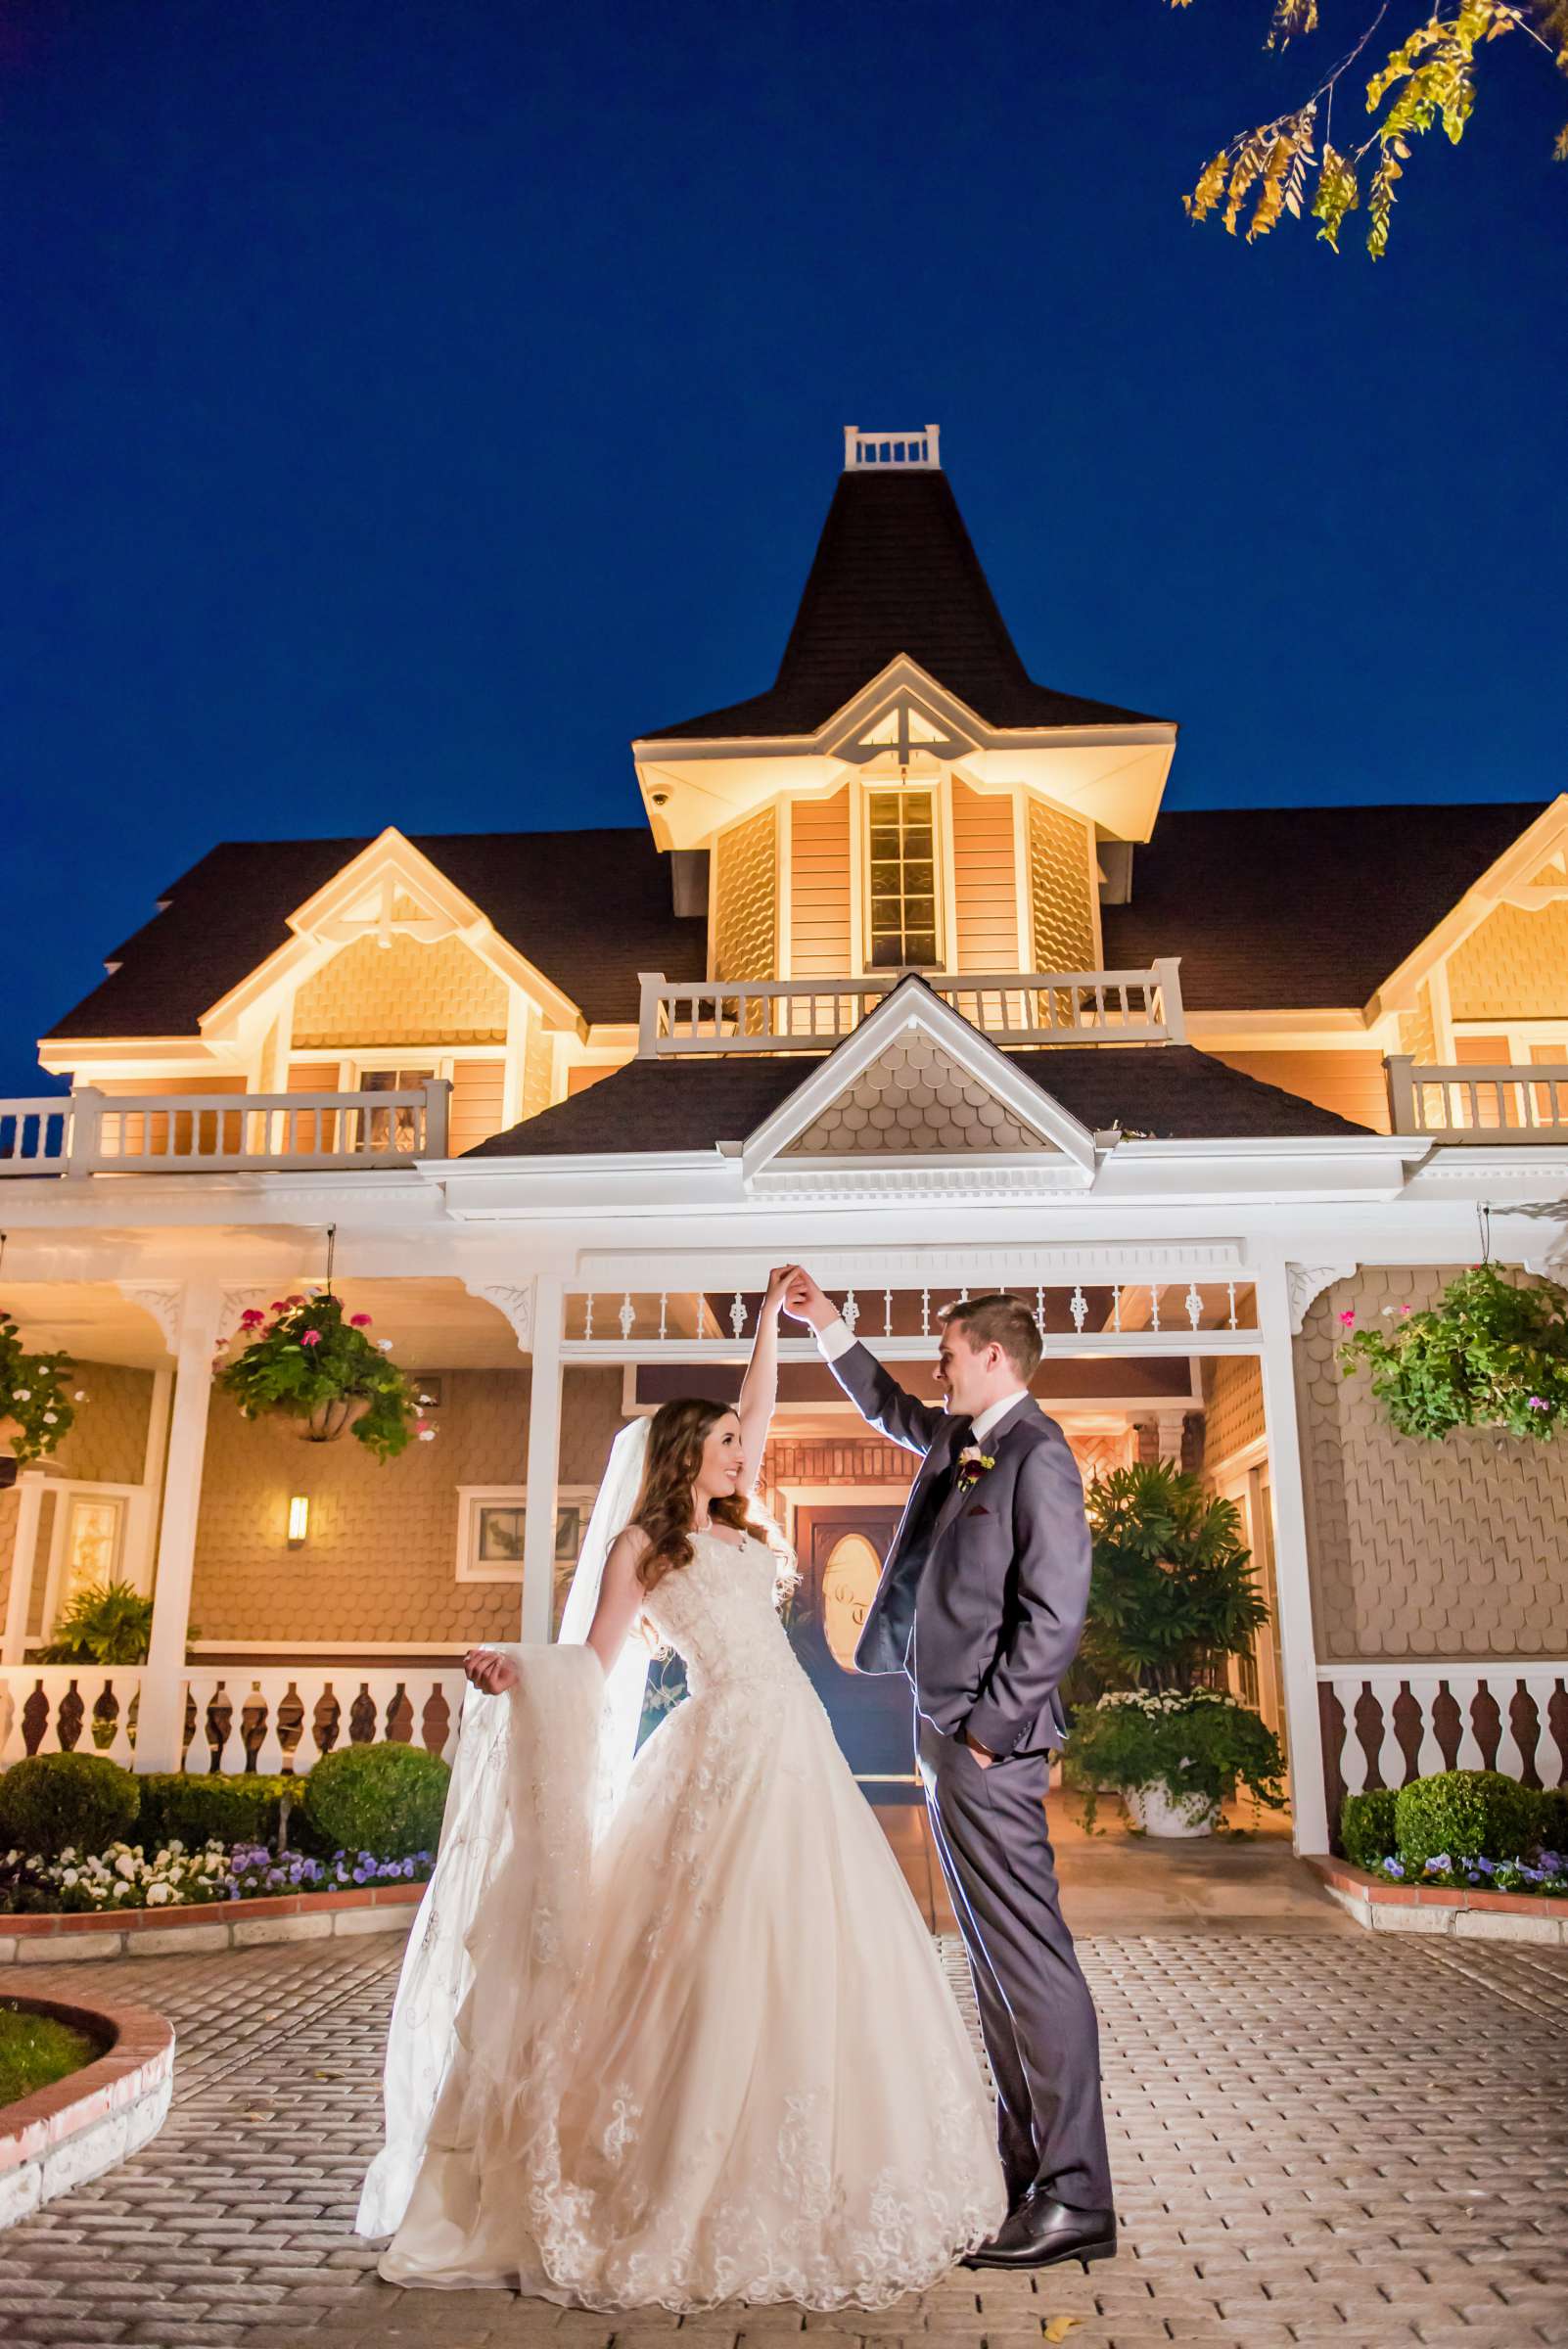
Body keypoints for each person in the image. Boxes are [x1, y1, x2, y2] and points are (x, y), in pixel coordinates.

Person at [356, 1267, 1004, 2311]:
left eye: (742, 1445)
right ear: (684, 1457)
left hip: (796, 1747)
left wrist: (765, 1324)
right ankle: (663, 2175)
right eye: (725, 1445)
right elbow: (596, 1660)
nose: (744, 1450)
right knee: (701, 1948)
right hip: (717, 1754)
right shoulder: (644, 1547)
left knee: (815, 1941)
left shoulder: (740, 1532)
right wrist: (521, 1672)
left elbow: (760, 1404)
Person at [780, 1270, 1115, 2275]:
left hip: (988, 1748)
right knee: (992, 1964)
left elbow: (1054, 1614)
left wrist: (986, 1732)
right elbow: (889, 1403)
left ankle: (1077, 2196)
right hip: (945, 1734)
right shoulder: (969, 1444)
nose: (940, 1367)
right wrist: (826, 1324)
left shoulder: (1039, 1456)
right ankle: (1030, 2177)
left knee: (1029, 1963)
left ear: (995, 1358)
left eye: (951, 1353)